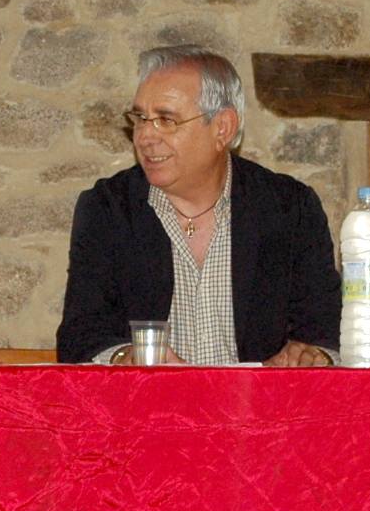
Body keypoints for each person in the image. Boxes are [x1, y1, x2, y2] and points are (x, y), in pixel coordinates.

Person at [56, 44, 341, 366]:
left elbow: (324, 329)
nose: (145, 137)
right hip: (145, 411)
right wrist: (124, 357)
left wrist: (312, 354)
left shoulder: (290, 208)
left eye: (166, 119)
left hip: (257, 411)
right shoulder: (108, 209)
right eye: (140, 118)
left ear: (223, 128)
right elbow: (79, 335)